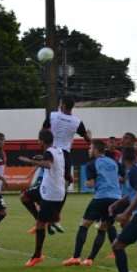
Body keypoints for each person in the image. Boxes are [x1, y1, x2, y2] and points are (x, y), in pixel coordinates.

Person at [62, 140, 122, 267]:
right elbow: (123, 177)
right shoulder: (114, 162)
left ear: (95, 150)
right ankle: (90, 259)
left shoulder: (91, 164)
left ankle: (76, 257)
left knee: (84, 225)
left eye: (90, 148)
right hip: (116, 198)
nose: (88, 150)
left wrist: (86, 183)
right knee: (103, 228)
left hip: (101, 198)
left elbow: (91, 184)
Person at [42, 96, 92, 232]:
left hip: (51, 151)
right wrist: (89, 136)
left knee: (47, 182)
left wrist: (44, 148)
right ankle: (55, 218)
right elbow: (88, 140)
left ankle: (47, 217)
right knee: (64, 186)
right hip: (64, 154)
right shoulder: (77, 122)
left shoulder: (53, 116)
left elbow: (43, 131)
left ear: (62, 105)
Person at [19, 130, 66, 267]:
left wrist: (30, 161)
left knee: (40, 224)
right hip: (49, 190)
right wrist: (41, 159)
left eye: (38, 140)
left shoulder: (49, 153)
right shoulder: (58, 151)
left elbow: (48, 164)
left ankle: (37, 256)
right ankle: (47, 219)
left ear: (42, 141)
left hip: (50, 193)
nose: (37, 142)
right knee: (24, 197)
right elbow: (50, 162)